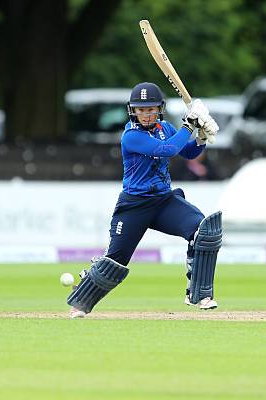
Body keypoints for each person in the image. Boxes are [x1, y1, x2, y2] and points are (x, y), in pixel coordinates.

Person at [67, 82, 223, 318]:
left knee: (203, 229)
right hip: (134, 205)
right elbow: (167, 149)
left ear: (159, 109)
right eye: (141, 110)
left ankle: (199, 293)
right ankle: (81, 299)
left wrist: (201, 137)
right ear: (133, 111)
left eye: (150, 109)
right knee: (116, 260)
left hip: (163, 201)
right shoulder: (131, 136)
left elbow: (188, 152)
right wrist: (190, 124)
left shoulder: (165, 127)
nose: (146, 114)